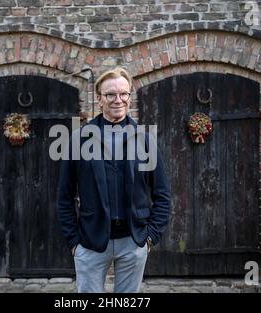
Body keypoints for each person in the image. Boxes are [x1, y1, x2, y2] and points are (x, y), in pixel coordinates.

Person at [57, 67, 171, 293]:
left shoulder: (144, 139)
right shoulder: (79, 139)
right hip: (90, 241)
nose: (118, 99)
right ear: (99, 99)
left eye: (123, 94)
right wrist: (74, 242)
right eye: (110, 94)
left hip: (134, 240)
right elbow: (64, 196)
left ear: (130, 97)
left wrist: (149, 238)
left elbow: (163, 195)